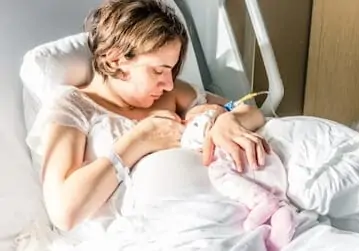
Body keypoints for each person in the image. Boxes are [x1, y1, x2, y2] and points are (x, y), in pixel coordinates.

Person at [28, 0, 269, 240]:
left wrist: (225, 120)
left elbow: (251, 112)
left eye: (171, 70)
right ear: (115, 60)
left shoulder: (170, 94)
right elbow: (64, 212)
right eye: (157, 70)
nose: (168, 83)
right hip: (152, 234)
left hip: (222, 212)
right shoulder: (74, 107)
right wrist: (140, 139)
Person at [180, 104, 296, 251]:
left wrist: (225, 118)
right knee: (280, 203)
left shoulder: (202, 116)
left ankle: (263, 201)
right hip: (264, 161)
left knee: (219, 174)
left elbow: (251, 112)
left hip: (237, 152)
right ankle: (281, 217)